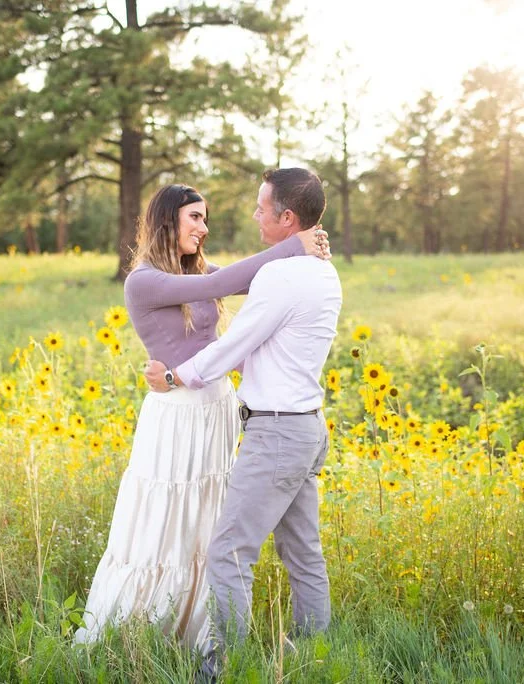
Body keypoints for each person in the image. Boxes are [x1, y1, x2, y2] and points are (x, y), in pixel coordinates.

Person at [73, 183, 329, 650]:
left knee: (208, 518)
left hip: (216, 409)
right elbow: (220, 285)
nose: (204, 227)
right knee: (169, 518)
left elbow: (246, 281)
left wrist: (303, 255)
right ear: (167, 220)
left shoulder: (199, 270)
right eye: (195, 217)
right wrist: (296, 243)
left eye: (205, 218)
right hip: (177, 413)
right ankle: (149, 627)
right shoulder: (143, 280)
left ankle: (204, 630)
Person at [144, 168, 342, 680]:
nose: (255, 215)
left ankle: (223, 667)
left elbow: (234, 346)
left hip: (276, 434)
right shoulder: (325, 271)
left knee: (229, 553)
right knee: (304, 553)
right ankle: (315, 654)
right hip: (308, 428)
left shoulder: (280, 276)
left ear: (287, 217)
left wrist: (175, 375)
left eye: (261, 207)